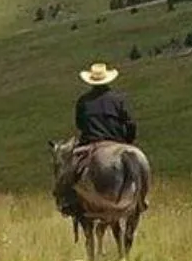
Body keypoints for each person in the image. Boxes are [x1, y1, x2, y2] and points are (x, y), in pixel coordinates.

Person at [55, 63, 137, 219]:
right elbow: (130, 123)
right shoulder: (118, 99)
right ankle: (141, 198)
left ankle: (68, 203)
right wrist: (128, 142)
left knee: (68, 172)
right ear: (107, 80)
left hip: (91, 144)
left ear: (91, 81)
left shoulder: (83, 101)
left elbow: (79, 124)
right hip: (118, 143)